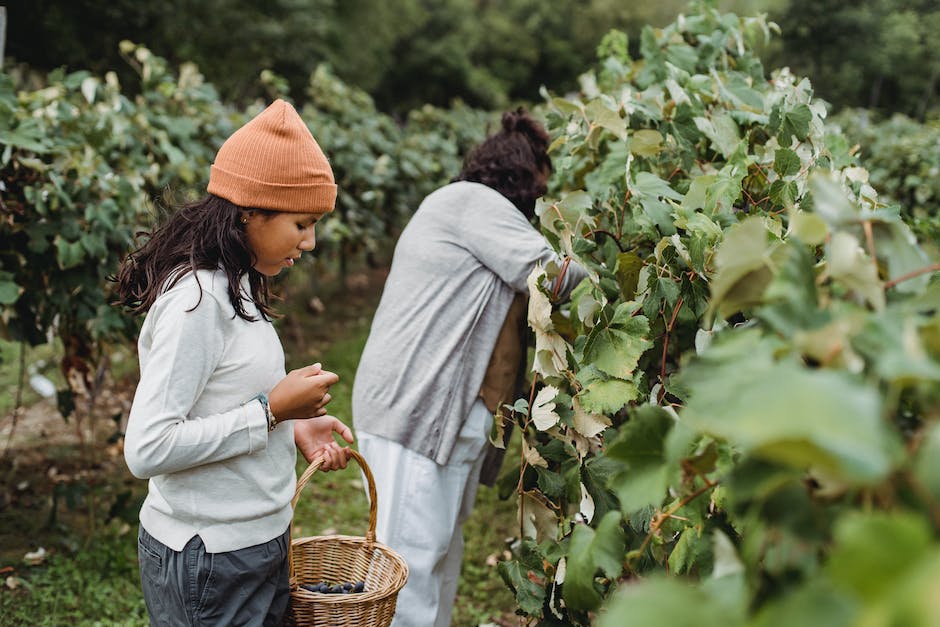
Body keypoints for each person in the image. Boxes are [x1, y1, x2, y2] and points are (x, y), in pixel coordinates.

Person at [116, 99, 354, 626]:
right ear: (250, 210)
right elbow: (148, 447)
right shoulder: (196, 303)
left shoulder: (238, 284)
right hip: (209, 559)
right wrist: (270, 411)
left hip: (256, 543)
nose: (310, 243)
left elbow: (223, 397)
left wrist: (293, 425)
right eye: (301, 223)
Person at [352, 108, 587, 627]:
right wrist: (617, 283)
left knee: (436, 557)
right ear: (519, 179)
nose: (540, 202)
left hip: (441, 411)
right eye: (539, 189)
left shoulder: (464, 207)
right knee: (407, 570)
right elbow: (554, 277)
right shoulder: (472, 204)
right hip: (415, 408)